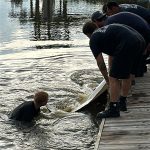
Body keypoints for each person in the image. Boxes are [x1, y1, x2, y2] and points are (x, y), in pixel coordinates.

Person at [82, 22, 145, 118]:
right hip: (140, 41)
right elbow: (112, 55)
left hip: (127, 43)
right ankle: (122, 103)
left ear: (88, 34)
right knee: (126, 74)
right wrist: (112, 71)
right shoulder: (106, 31)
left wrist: (108, 80)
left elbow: (101, 64)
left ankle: (113, 109)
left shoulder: (94, 38)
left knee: (113, 78)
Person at [91, 11, 150, 76]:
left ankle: (136, 73)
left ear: (95, 21)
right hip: (144, 29)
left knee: (131, 53)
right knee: (136, 52)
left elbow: (113, 52)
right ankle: (138, 71)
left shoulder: (108, 24)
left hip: (142, 32)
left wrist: (112, 72)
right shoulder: (111, 19)